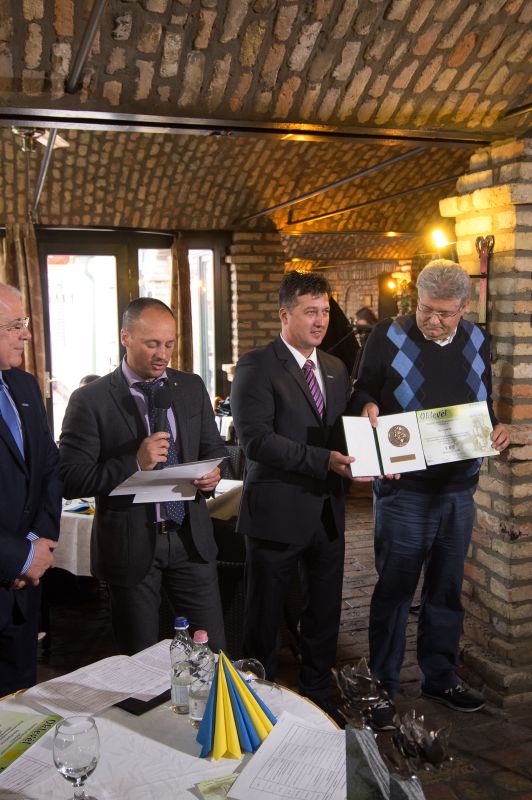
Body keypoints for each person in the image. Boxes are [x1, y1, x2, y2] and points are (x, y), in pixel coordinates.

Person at [351, 259, 510, 729]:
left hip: (459, 489)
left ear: (464, 307)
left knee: (446, 589)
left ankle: (440, 677)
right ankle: (382, 686)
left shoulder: (478, 338)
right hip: (405, 490)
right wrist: (368, 406)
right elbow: (361, 391)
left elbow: (481, 400)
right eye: (425, 309)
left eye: (445, 313)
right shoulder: (387, 335)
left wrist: (496, 426)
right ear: (415, 300)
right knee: (395, 591)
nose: (433, 321)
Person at [59, 297, 227, 656]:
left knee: (212, 654)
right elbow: (71, 479)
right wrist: (134, 461)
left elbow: (214, 448)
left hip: (190, 540)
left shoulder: (191, 386)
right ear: (126, 337)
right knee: (140, 663)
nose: (162, 354)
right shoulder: (90, 400)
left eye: (169, 344)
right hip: (130, 547)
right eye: (152, 344)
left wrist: (212, 474)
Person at [231, 271, 362, 720]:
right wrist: (324, 460)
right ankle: (258, 706)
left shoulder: (335, 367)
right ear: (284, 315)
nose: (320, 320)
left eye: (324, 311)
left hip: (327, 513)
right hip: (277, 513)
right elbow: (257, 442)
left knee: (324, 615)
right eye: (310, 311)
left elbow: (343, 432)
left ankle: (318, 698)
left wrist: (371, 453)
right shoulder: (256, 366)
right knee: (264, 619)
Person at [0, 283, 61, 694]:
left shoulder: (23, 386)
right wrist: (19, 557)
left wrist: (38, 546)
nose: (26, 334)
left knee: (21, 708)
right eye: (14, 325)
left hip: (25, 594)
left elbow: (49, 469)